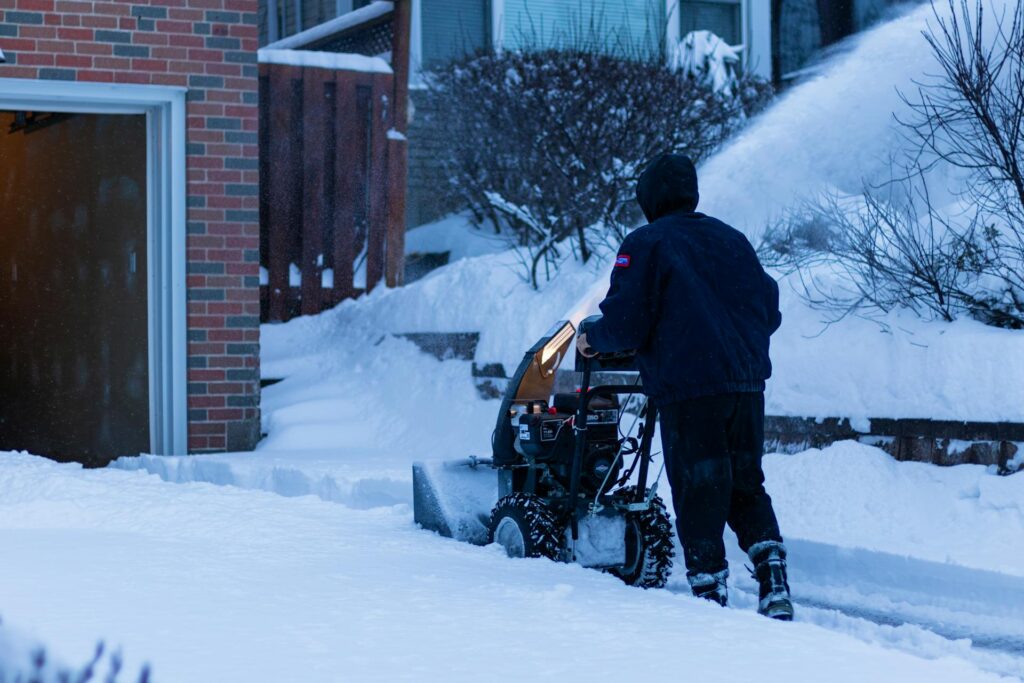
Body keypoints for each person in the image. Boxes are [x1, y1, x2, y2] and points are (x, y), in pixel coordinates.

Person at [577, 153, 793, 620]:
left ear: (649, 198)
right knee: (744, 483)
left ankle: (709, 596)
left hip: (692, 389)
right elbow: (770, 310)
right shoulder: (732, 240)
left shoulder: (647, 242)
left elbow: (628, 322)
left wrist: (593, 336)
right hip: (746, 386)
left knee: (699, 488)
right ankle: (773, 577)